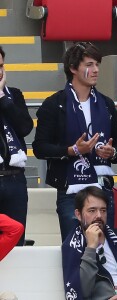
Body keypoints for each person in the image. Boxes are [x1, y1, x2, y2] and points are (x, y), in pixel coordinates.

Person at [32, 42, 117, 242]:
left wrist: (112, 152)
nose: (96, 70)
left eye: (97, 65)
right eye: (90, 65)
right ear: (73, 68)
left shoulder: (106, 104)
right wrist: (72, 150)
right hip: (70, 190)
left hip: (102, 188)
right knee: (73, 249)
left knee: (106, 250)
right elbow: (40, 147)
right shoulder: (54, 104)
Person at [61, 186, 117, 300]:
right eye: (92, 210)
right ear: (78, 214)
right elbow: (82, 290)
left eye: (103, 210)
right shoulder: (72, 247)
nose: (99, 215)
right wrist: (91, 248)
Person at [0, 45, 33, 246]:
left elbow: (25, 127)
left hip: (14, 179)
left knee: (16, 242)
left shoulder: (14, 95)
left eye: (1, 65)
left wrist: (2, 98)